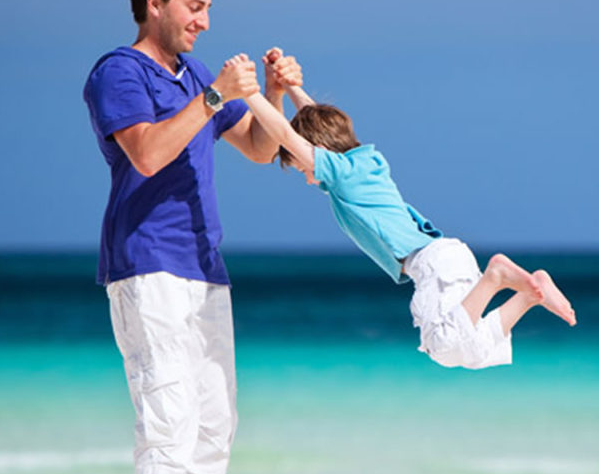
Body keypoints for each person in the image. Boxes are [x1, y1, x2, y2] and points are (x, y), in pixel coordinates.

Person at [82, 0, 300, 474]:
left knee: (212, 432)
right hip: (146, 262)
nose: (204, 21)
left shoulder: (198, 76)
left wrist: (272, 94)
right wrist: (211, 97)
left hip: (205, 267)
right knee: (169, 419)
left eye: (207, 9)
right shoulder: (118, 72)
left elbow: (257, 148)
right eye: (194, 6)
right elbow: (148, 154)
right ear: (156, 4)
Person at [238, 51, 576, 369]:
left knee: (443, 346)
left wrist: (248, 92)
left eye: (303, 169)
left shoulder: (340, 174)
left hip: (430, 264)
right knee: (474, 352)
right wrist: (293, 87)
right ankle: (531, 294)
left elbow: (286, 133)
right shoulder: (364, 160)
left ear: (319, 152)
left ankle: (497, 277)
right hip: (449, 256)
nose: (310, 180)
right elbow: (315, 123)